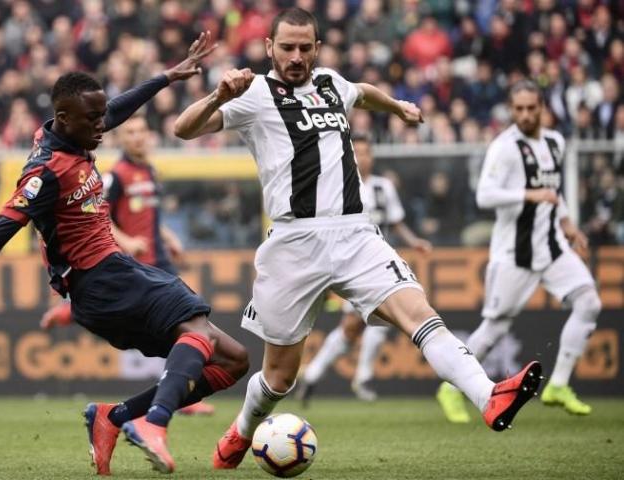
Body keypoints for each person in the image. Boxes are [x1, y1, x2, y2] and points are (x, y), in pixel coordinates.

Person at [174, 9, 542, 471]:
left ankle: (489, 394)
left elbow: (362, 93)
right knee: (280, 377)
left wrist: (398, 107)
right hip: (293, 243)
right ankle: (244, 430)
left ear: (317, 48)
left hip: (355, 233)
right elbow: (183, 129)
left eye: (305, 47)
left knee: (418, 313)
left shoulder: (330, 83)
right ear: (269, 47)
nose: (296, 56)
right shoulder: (256, 95)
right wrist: (217, 95)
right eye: (286, 47)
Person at [0, 32, 249, 475]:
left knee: (232, 358)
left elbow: (116, 108)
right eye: (93, 119)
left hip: (114, 272)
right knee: (197, 330)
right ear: (64, 118)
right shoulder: (45, 171)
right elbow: (1, 227)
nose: (102, 125)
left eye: (102, 116)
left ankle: (115, 417)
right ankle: (154, 422)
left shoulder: (76, 132)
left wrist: (168, 76)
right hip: (98, 280)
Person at [436, 80, 601, 423]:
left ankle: (557, 385)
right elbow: (485, 195)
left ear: (542, 107)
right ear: (512, 110)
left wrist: (568, 223)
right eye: (519, 109)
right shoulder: (504, 147)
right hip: (515, 255)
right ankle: (451, 389)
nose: (525, 115)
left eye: (531, 107)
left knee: (589, 302)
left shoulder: (555, 142)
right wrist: (528, 195)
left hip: (553, 247)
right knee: (495, 328)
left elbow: (553, 190)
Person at [39, 113, 214, 416]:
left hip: (159, 257)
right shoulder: (115, 175)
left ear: (149, 135)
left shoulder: (150, 171)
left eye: (141, 131)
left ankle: (69, 312)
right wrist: (126, 241)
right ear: (120, 139)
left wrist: (169, 237)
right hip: (134, 263)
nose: (136, 137)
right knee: (184, 324)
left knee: (187, 322)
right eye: (130, 132)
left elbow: (151, 215)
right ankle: (182, 395)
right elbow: (98, 213)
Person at [296, 133, 432, 404]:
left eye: (367, 152)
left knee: (372, 322)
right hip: (352, 264)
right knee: (353, 327)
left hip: (379, 262)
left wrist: (414, 241)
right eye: (356, 152)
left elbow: (396, 221)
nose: (362, 157)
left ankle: (323, 376)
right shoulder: (340, 183)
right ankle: (325, 375)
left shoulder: (384, 187)